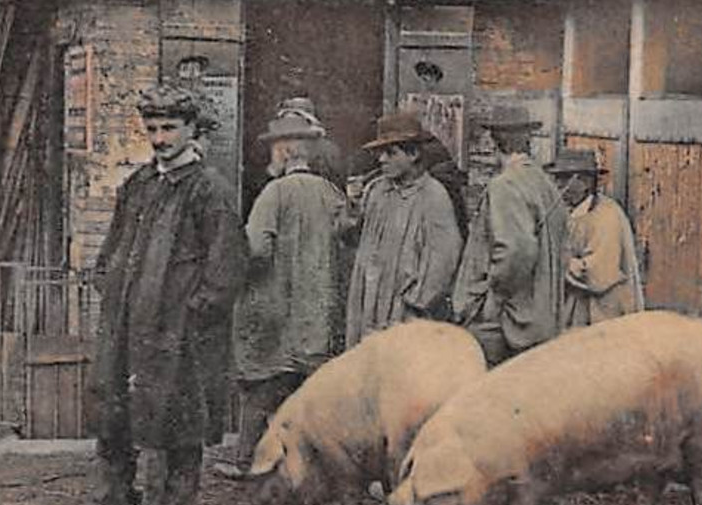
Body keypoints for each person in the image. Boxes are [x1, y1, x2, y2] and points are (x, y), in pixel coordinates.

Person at [51, 87, 243, 505]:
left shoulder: (209, 190)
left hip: (178, 338)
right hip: (126, 331)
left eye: (169, 129)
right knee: (113, 427)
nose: (159, 139)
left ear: (193, 131)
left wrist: (190, 315)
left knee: (177, 436)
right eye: (152, 129)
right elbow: (114, 247)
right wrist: (109, 284)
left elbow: (227, 269)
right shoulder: (139, 185)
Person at [227, 111, 346, 473]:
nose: (270, 156)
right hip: (315, 310)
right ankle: (309, 463)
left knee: (261, 386)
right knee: (307, 389)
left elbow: (257, 249)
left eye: (274, 148)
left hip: (274, 306)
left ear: (287, 151)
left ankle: (248, 459)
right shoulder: (331, 193)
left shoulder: (274, 193)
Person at [340, 110, 463, 347]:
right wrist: (352, 205)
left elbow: (444, 258)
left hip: (403, 310)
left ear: (414, 153)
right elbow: (350, 236)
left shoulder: (433, 197)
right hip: (369, 304)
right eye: (380, 154)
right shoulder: (376, 191)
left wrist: (416, 303)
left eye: (390, 153)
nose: (381, 160)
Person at [451, 118, 567, 364]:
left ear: (495, 143)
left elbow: (516, 251)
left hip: (509, 323)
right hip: (542, 315)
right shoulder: (543, 182)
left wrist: (493, 299)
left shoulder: (505, 185)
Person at [547, 148, 645, 328]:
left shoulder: (607, 216)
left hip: (604, 310)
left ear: (584, 181)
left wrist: (557, 262)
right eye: (558, 179)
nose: (559, 186)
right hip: (578, 307)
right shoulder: (572, 212)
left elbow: (598, 271)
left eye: (565, 179)